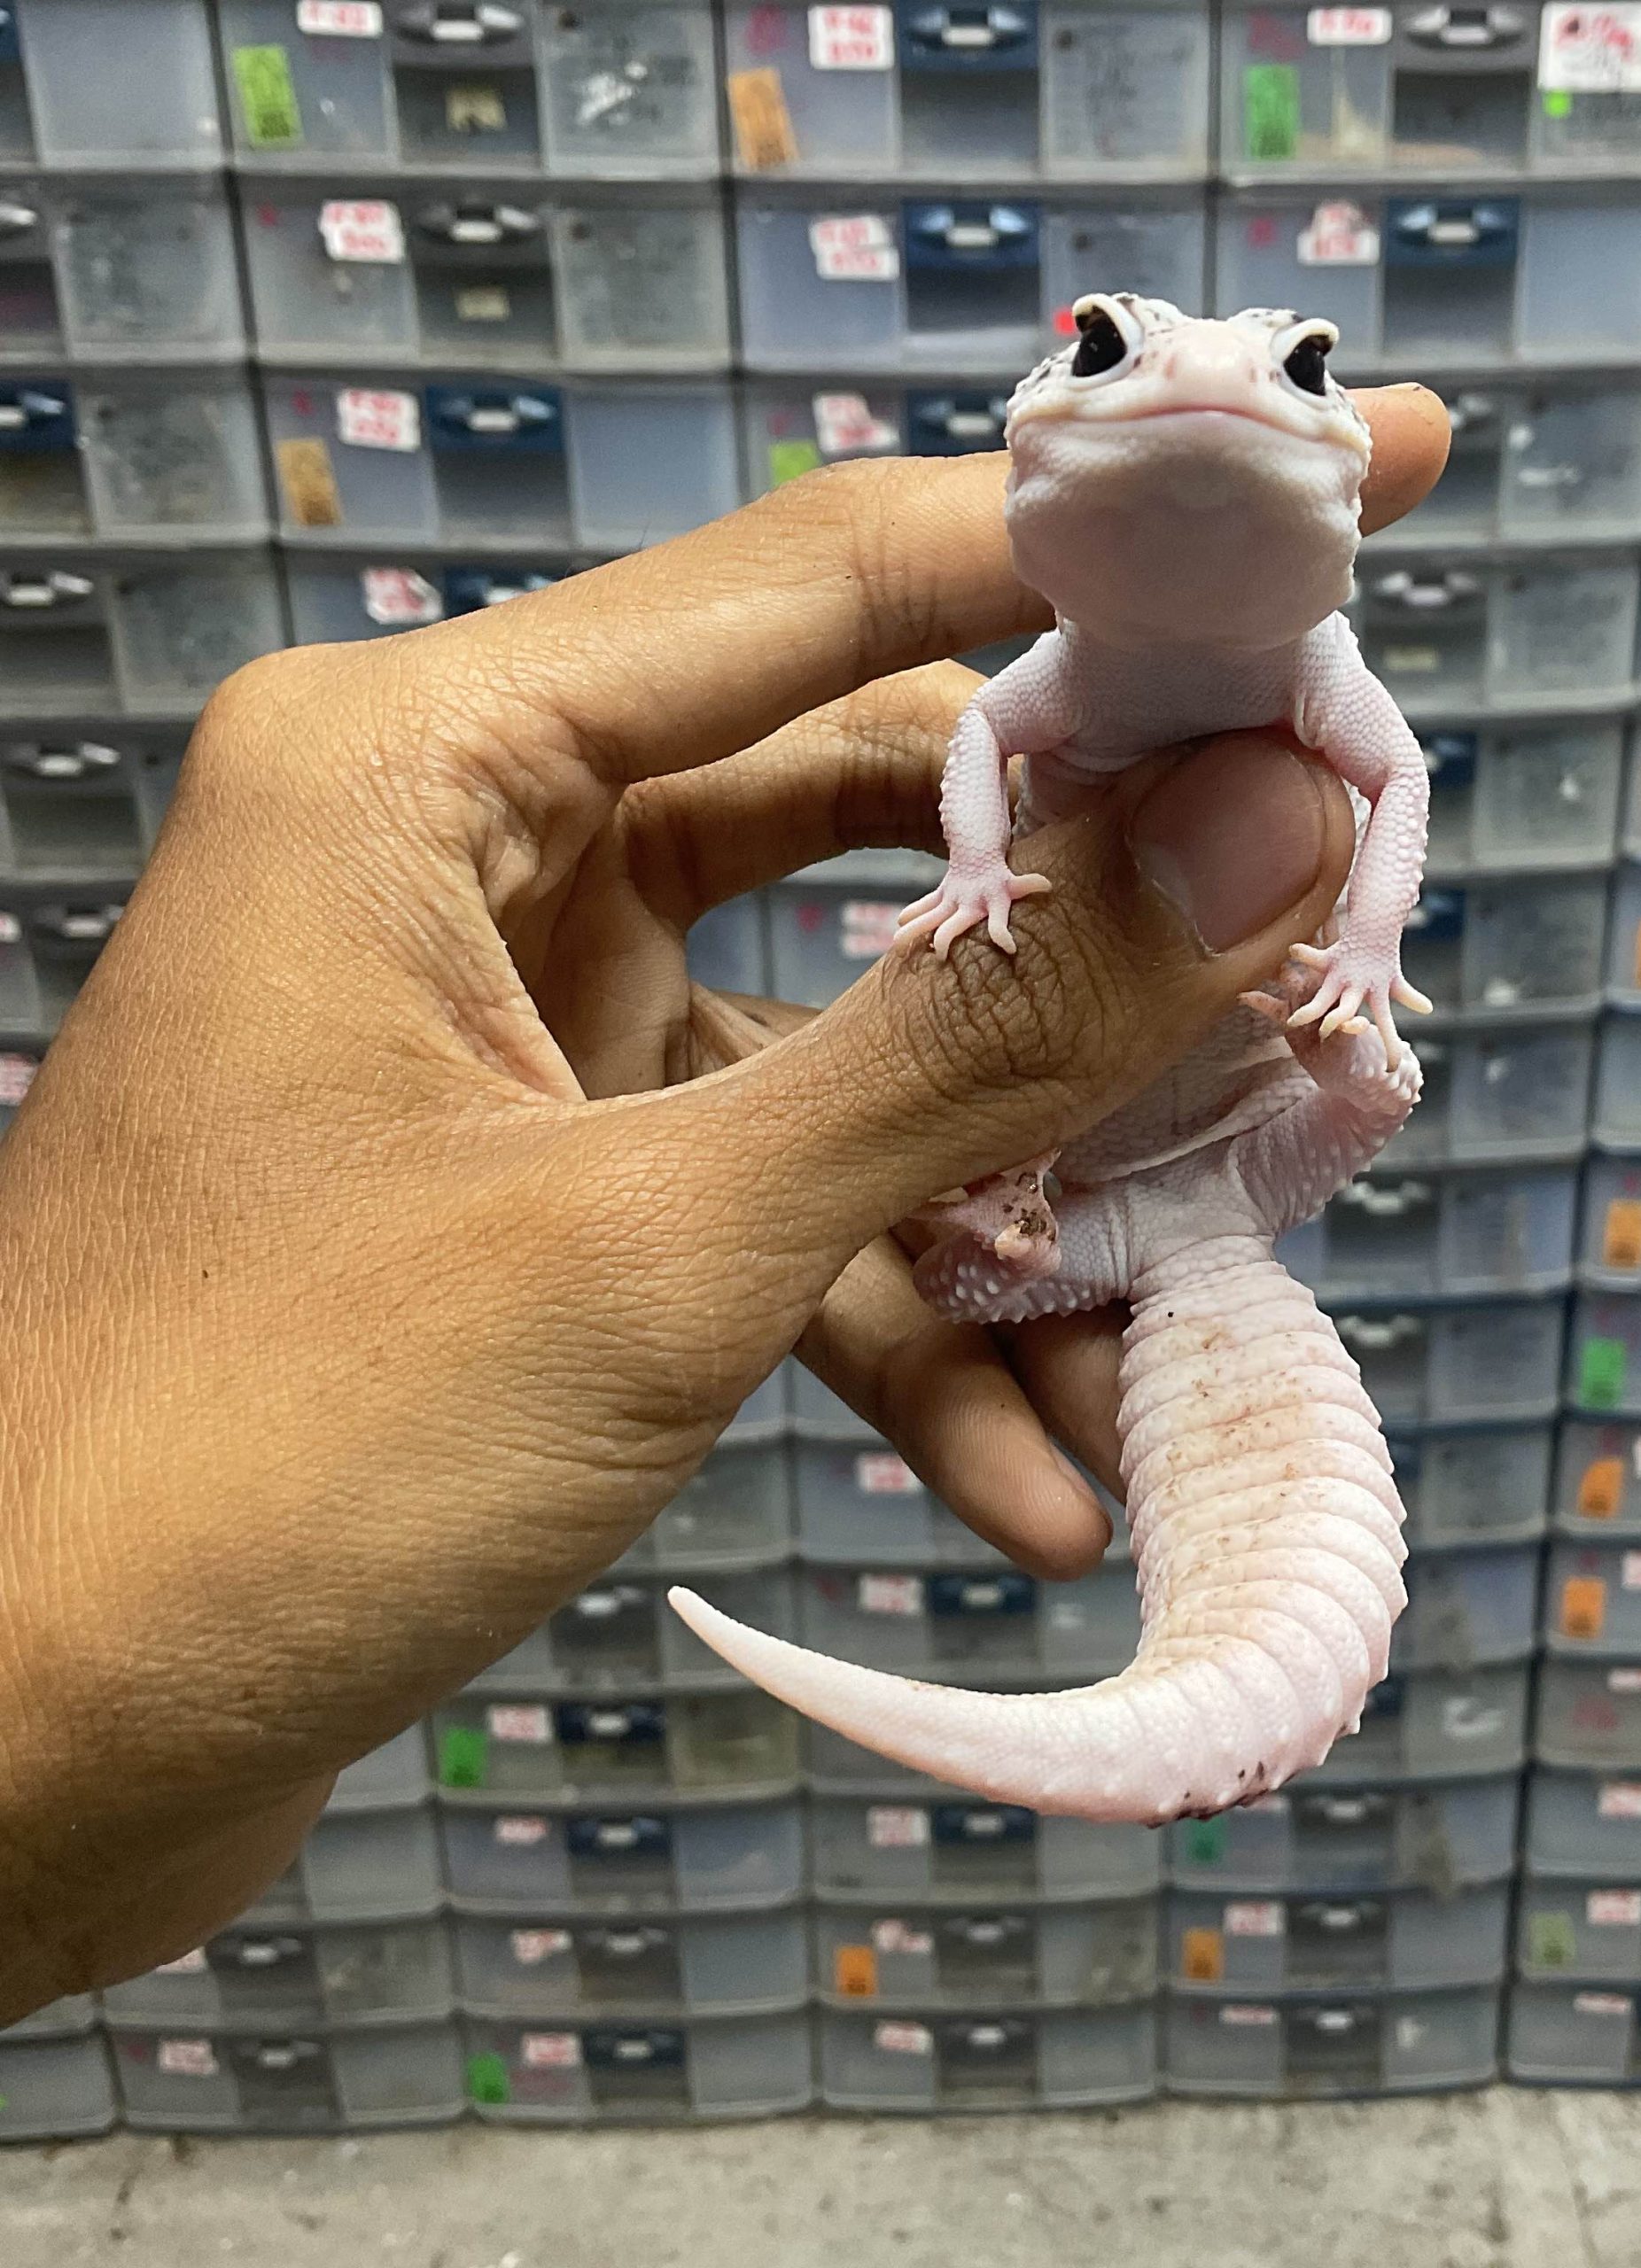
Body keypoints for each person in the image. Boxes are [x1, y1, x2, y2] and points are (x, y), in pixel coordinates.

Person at [0, 391, 1450, 2024]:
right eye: (1107, 352)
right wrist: (979, 876)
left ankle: (1072, 1191)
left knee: (1360, 1081)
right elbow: (977, 744)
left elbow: (1393, 778)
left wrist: (1363, 958)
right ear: (1038, 464)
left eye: (1302, 367)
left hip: (1226, 1162)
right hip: (1105, 1190)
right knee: (983, 1266)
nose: (1207, 390)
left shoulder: (1309, 671)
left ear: (1334, 490)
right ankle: (1025, 1217)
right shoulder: (1074, 674)